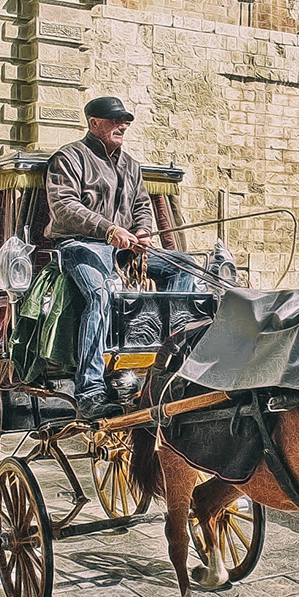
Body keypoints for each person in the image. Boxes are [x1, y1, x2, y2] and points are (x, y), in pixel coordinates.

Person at [45, 95, 199, 420]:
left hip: (124, 248)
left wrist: (142, 232)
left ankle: (166, 354)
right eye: (115, 120)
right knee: (101, 292)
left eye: (125, 121)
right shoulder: (69, 158)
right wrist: (108, 229)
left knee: (185, 266)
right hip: (79, 245)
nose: (123, 125)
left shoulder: (130, 165)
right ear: (94, 123)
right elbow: (64, 206)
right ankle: (88, 391)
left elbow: (142, 205)